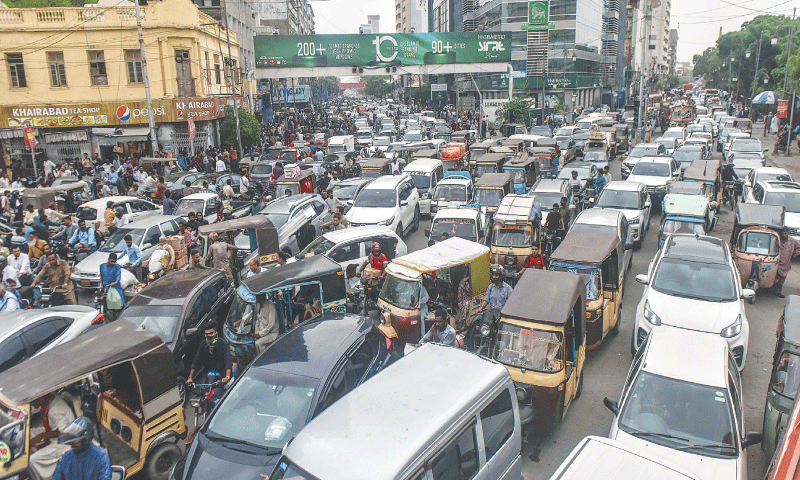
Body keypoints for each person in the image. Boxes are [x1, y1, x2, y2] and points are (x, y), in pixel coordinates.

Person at [775, 227, 800, 297]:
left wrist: (793, 255)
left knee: (782, 278)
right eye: (782, 233)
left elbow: (799, 248)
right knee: (774, 277)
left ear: (788, 233)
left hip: (785, 263)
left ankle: (778, 292)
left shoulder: (793, 241)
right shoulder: (777, 239)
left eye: (785, 233)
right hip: (775, 262)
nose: (783, 235)